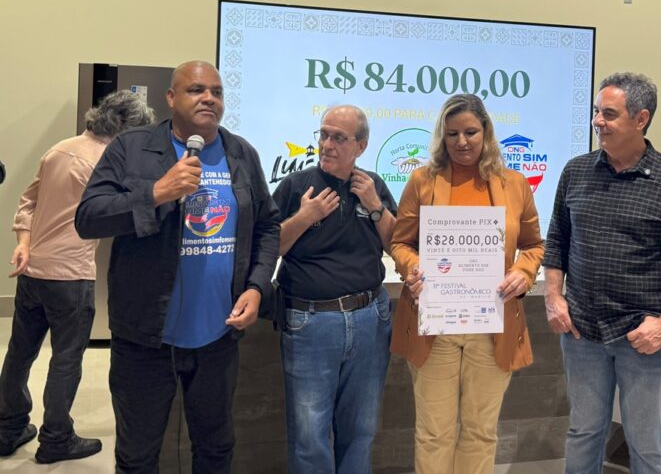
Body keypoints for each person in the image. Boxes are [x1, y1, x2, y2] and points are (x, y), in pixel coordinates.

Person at [75, 61, 281, 473]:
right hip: (145, 339)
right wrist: (155, 192)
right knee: (137, 456)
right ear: (171, 98)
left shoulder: (241, 152)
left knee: (216, 449)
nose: (209, 99)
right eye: (196, 90)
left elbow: (267, 225)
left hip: (218, 338)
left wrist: (256, 286)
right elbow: (88, 218)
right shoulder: (132, 147)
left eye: (217, 92)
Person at [543, 72, 661, 474]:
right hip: (582, 331)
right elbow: (557, 240)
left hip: (643, 337)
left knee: (646, 443)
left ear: (641, 119)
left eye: (609, 114)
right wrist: (553, 297)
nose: (597, 121)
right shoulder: (576, 171)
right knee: (583, 432)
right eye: (596, 111)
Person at [390, 93, 545, 474]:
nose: (462, 142)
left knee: (480, 432)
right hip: (435, 326)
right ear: (442, 137)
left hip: (492, 326)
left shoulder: (514, 183)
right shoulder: (422, 180)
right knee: (434, 434)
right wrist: (413, 267)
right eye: (452, 134)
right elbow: (400, 243)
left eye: (471, 132)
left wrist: (523, 273)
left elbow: (533, 245)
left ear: (486, 132)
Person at [0, 91, 155, 463]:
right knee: (66, 359)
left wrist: (24, 243)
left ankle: (7, 428)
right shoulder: (107, 164)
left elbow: (28, 201)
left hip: (33, 270)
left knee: (20, 352)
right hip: (71, 275)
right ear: (125, 128)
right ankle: (56, 438)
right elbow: (126, 213)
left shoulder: (58, 149)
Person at [272, 105, 396, 474]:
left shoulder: (374, 186)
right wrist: (304, 217)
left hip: (370, 319)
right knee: (309, 435)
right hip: (310, 323)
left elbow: (397, 245)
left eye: (338, 138)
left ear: (361, 145)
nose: (327, 144)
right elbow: (269, 246)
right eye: (323, 135)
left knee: (361, 429)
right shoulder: (296, 186)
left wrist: (375, 206)